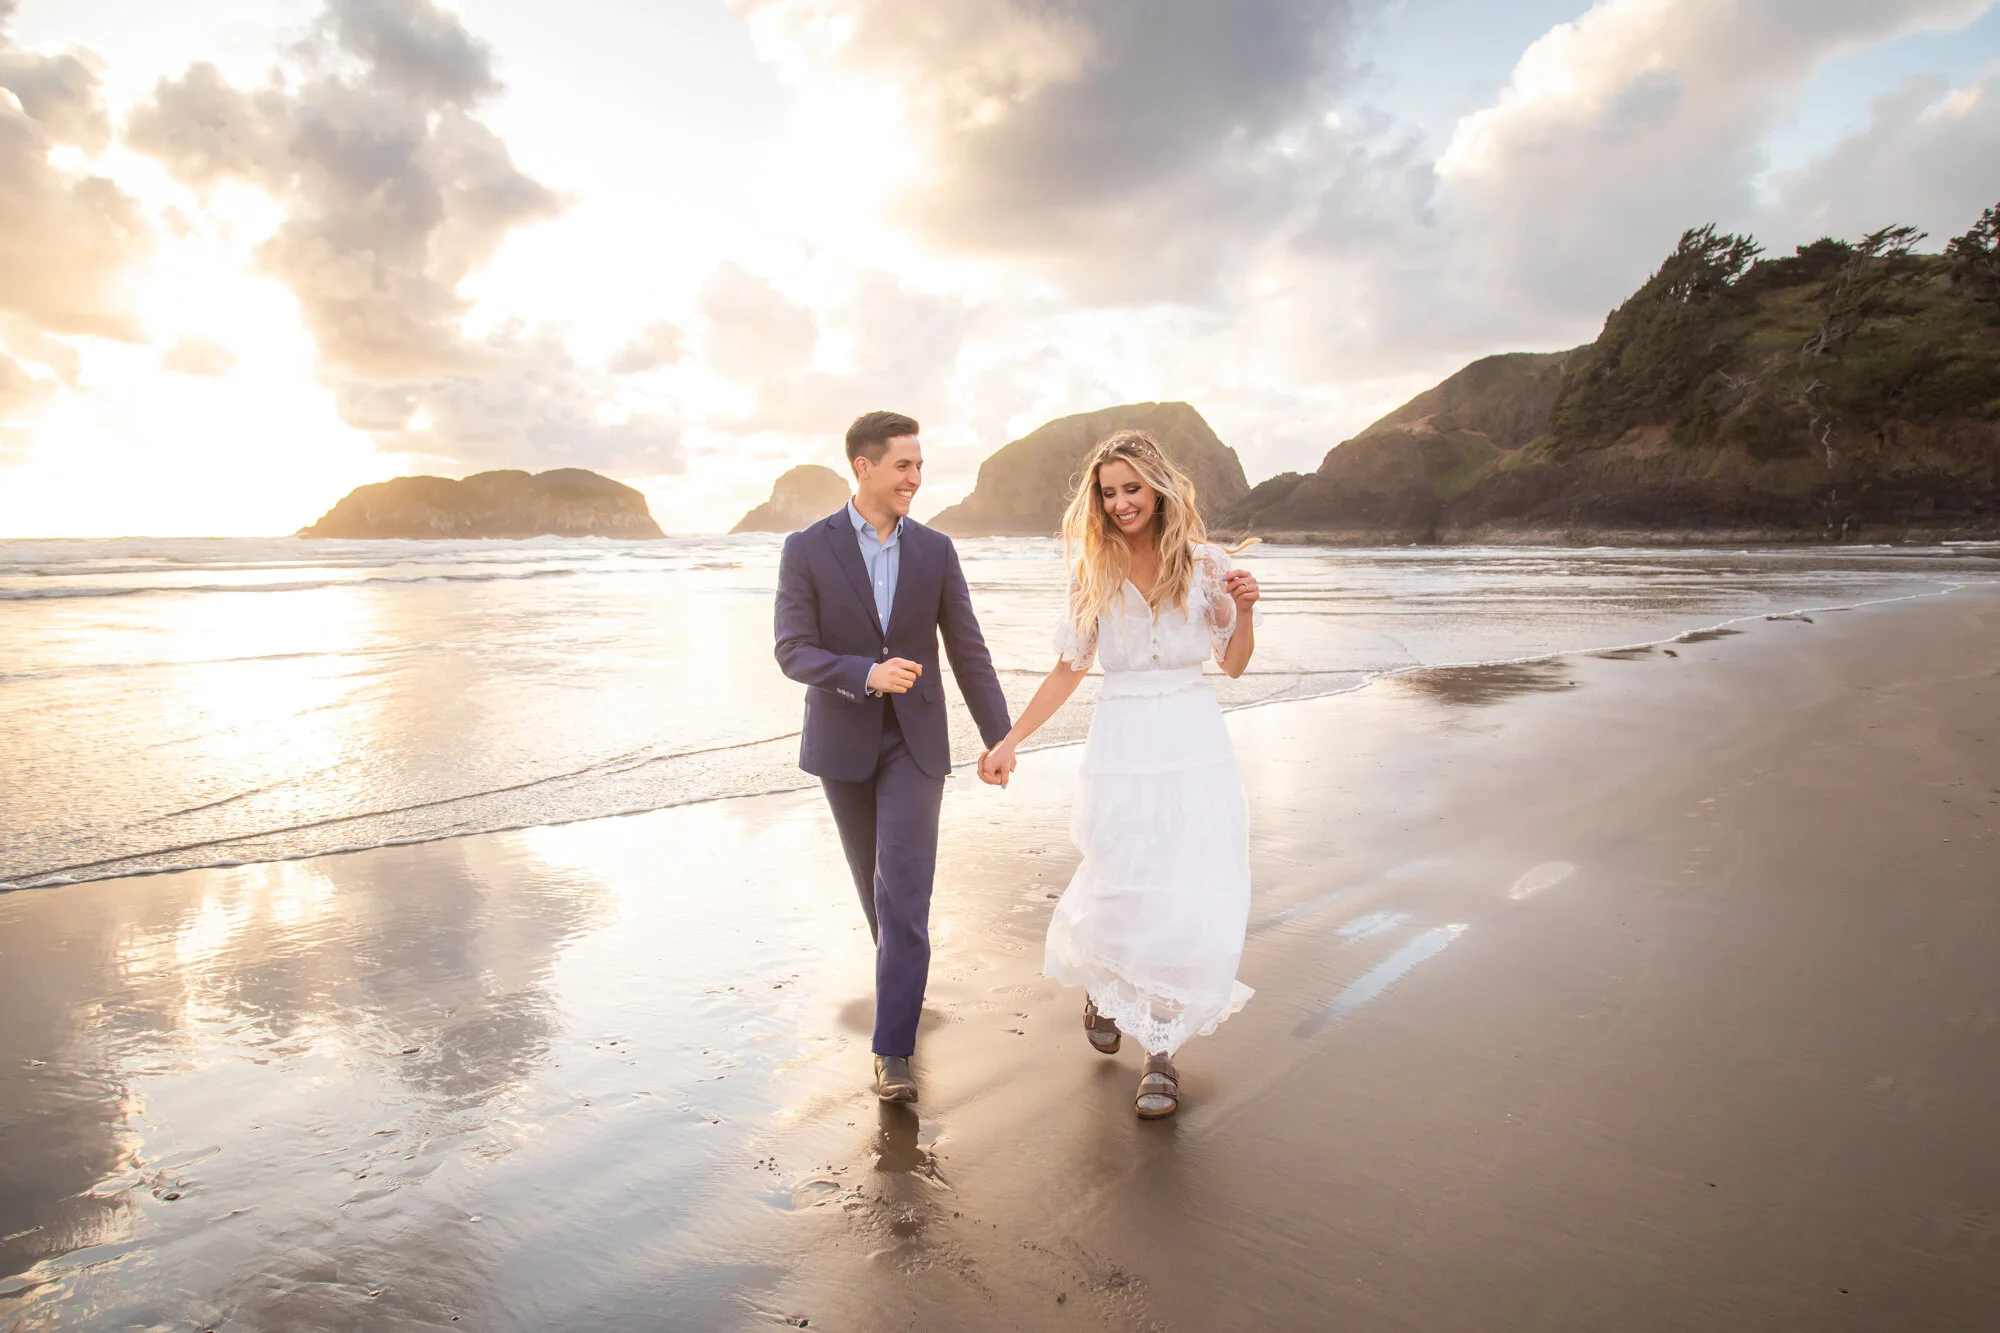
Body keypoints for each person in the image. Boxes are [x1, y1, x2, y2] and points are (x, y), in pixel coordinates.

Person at [978, 430, 1260, 1119]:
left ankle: (1160, 1056)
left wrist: (1244, 609)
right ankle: (1105, 986)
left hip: (1193, 736)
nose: (1120, 502)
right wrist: (1009, 739)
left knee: (1183, 889)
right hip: (1124, 737)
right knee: (1120, 876)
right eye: (1108, 492)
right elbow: (1070, 667)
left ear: (1158, 487)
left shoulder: (1206, 565)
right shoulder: (1094, 569)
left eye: (1131, 488)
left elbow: (1235, 663)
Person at [774, 410, 1014, 1104]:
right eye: (904, 464)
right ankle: (903, 987)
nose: (916, 476)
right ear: (864, 466)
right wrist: (862, 671)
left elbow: (967, 648)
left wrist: (998, 736)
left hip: (916, 743)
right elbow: (793, 649)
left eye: (919, 464)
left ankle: (893, 1051)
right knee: (878, 898)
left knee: (903, 892)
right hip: (843, 743)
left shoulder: (936, 551)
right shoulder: (807, 549)